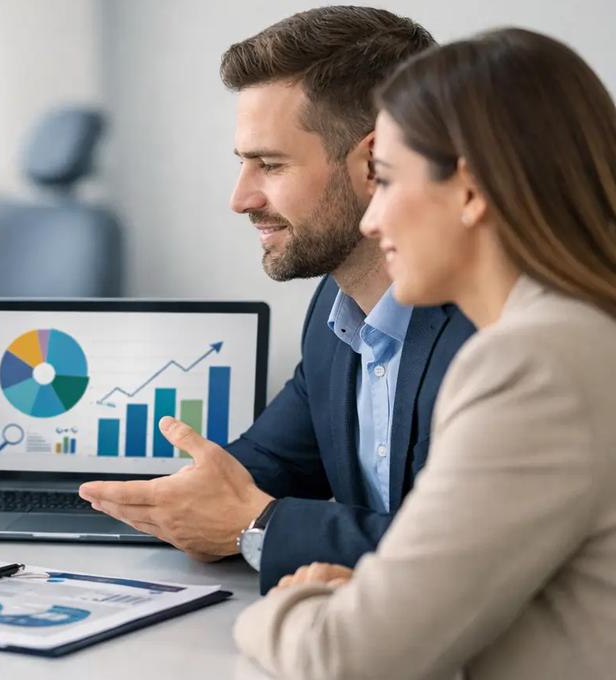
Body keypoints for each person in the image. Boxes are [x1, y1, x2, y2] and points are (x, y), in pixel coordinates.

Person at [234, 28, 616, 679]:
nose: (373, 218)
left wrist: (291, 605)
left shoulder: (535, 361)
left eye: (383, 181)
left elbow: (349, 655)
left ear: (468, 192)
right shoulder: (571, 335)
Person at [79, 6, 474, 591]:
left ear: (373, 164)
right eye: (243, 164)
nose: (241, 199)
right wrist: (182, 499)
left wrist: (255, 524)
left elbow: (457, 554)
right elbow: (272, 464)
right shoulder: (335, 310)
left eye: (270, 165)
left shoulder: (488, 327)